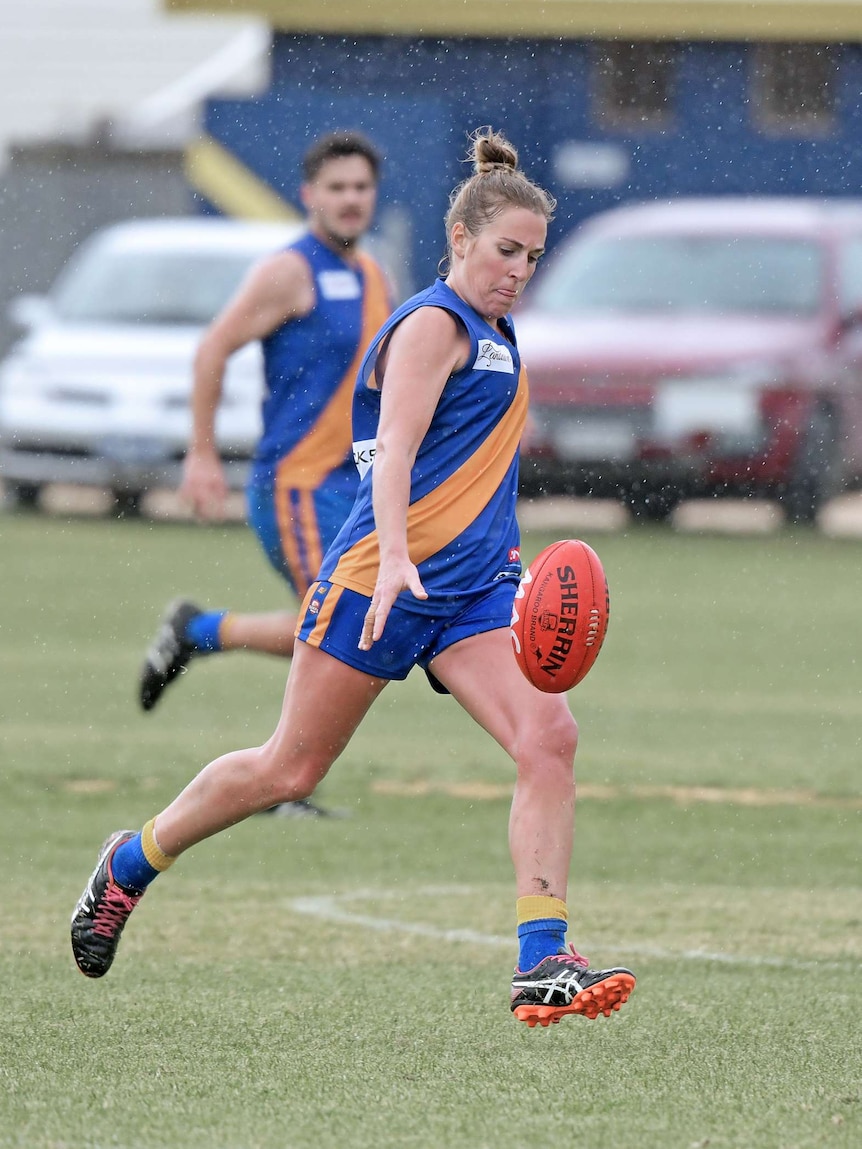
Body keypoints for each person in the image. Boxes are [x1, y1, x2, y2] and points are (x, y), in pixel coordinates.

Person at [71, 127, 636, 1027]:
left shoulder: (501, 334)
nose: (519, 269)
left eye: (532, 255)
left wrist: (513, 567)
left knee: (549, 737)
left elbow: (482, 467)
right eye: (505, 251)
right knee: (288, 769)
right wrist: (399, 555)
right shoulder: (432, 325)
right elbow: (396, 454)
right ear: (460, 241)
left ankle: (542, 958)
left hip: (471, 595)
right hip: (382, 577)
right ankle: (130, 863)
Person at [139, 130, 391, 817]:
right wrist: (201, 449)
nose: (349, 200)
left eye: (360, 187)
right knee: (331, 627)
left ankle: (201, 634)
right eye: (335, 188)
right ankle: (281, 779)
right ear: (309, 195)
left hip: (355, 486)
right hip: (297, 484)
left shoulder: (375, 276)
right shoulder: (289, 271)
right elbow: (213, 348)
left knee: (348, 625)